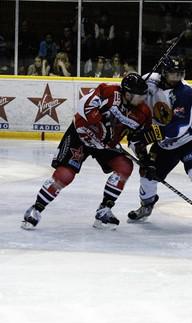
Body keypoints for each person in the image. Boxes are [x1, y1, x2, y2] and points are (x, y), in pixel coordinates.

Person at [22, 73, 151, 230]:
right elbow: (84, 108)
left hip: (105, 144)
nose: (143, 99)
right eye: (140, 95)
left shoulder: (143, 113)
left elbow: (136, 139)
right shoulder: (108, 92)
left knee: (125, 167)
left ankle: (104, 211)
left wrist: (144, 157)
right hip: (81, 135)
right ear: (128, 93)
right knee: (65, 175)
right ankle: (36, 209)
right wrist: (101, 124)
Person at [127, 57, 192, 230]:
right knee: (147, 174)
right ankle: (146, 205)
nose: (176, 78)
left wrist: (148, 136)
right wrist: (140, 150)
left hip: (190, 140)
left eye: (179, 74)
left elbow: (178, 128)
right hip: (164, 145)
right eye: (173, 74)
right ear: (163, 73)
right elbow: (133, 97)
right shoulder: (150, 80)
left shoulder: (185, 93)